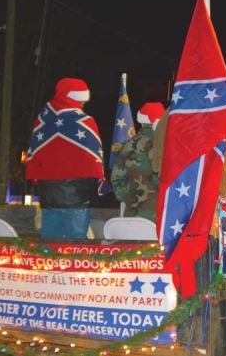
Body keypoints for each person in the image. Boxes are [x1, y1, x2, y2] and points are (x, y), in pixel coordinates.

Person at [25, 78, 106, 239]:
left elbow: (34, 154)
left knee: (50, 244)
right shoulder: (86, 122)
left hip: (48, 195)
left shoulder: (41, 121)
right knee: (76, 243)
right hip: (76, 194)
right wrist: (99, 179)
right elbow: (94, 156)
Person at [111, 102, 165, 222]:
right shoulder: (167, 143)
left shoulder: (130, 144)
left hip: (133, 215)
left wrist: (131, 198)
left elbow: (117, 178)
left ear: (141, 121)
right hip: (162, 215)